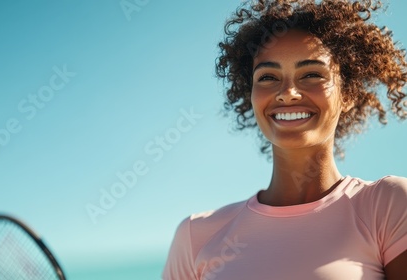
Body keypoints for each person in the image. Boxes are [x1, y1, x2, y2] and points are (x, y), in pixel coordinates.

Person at [161, 0, 407, 279]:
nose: (288, 92)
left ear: (347, 94)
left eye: (312, 74)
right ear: (250, 95)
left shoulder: (389, 206)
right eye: (267, 77)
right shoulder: (196, 236)